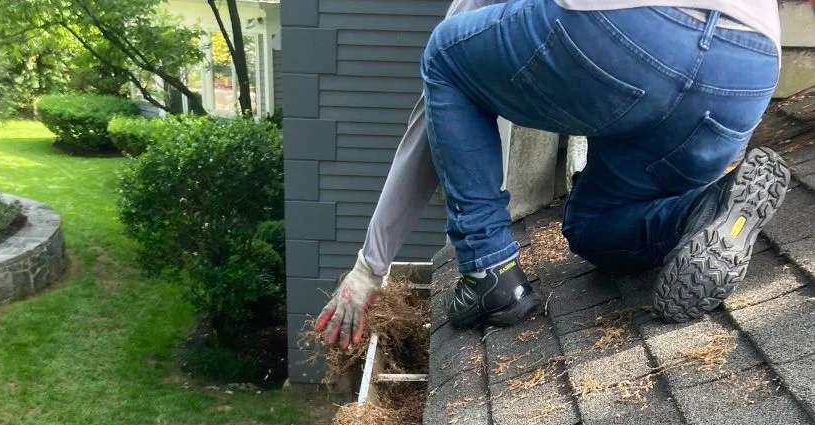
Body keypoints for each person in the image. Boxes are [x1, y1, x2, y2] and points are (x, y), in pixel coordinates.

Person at [315, 0, 787, 346]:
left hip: (624, 34)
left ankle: (488, 269)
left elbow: (438, 106)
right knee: (591, 225)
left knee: (444, 54)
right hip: (746, 69)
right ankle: (701, 212)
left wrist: (367, 270)